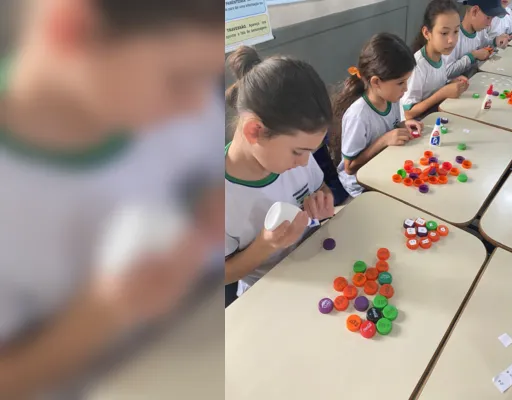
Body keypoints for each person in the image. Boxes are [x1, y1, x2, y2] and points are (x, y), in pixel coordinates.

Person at [0, 0, 224, 397]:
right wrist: (101, 318)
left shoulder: (184, 113)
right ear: (70, 27)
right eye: (178, 78)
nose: (196, 104)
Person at [224, 46, 336, 297]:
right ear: (255, 131)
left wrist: (322, 200)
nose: (304, 161)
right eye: (298, 152)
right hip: (268, 294)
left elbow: (319, 187)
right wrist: (265, 245)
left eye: (311, 151)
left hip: (316, 270)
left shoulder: (297, 158)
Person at [331, 33, 423, 198]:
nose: (406, 89)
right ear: (376, 82)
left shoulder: (391, 98)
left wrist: (403, 126)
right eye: (401, 83)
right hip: (360, 186)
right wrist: (384, 141)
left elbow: (391, 126)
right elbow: (349, 167)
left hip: (384, 167)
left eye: (407, 81)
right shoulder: (358, 115)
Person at [402, 0, 469, 121]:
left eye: (456, 31)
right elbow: (408, 113)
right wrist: (443, 92)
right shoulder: (418, 66)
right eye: (444, 33)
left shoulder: (441, 56)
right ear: (427, 33)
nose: (451, 40)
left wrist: (451, 84)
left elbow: (433, 88)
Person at [445, 0, 510, 78]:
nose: (489, 24)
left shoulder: (480, 31)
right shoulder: (452, 38)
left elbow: (485, 44)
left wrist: (495, 41)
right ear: (475, 11)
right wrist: (472, 56)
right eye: (488, 18)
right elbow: (447, 72)